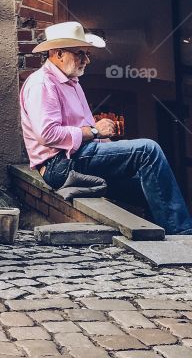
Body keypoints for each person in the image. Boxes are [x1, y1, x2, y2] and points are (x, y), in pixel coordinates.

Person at [20, 21, 192, 236]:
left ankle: (160, 238)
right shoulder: (42, 84)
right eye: (80, 53)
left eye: (87, 54)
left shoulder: (72, 82)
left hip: (78, 156)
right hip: (60, 165)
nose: (87, 60)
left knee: (146, 184)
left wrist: (108, 145)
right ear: (58, 53)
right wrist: (94, 132)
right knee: (148, 150)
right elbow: (47, 134)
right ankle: (183, 235)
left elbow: (91, 132)